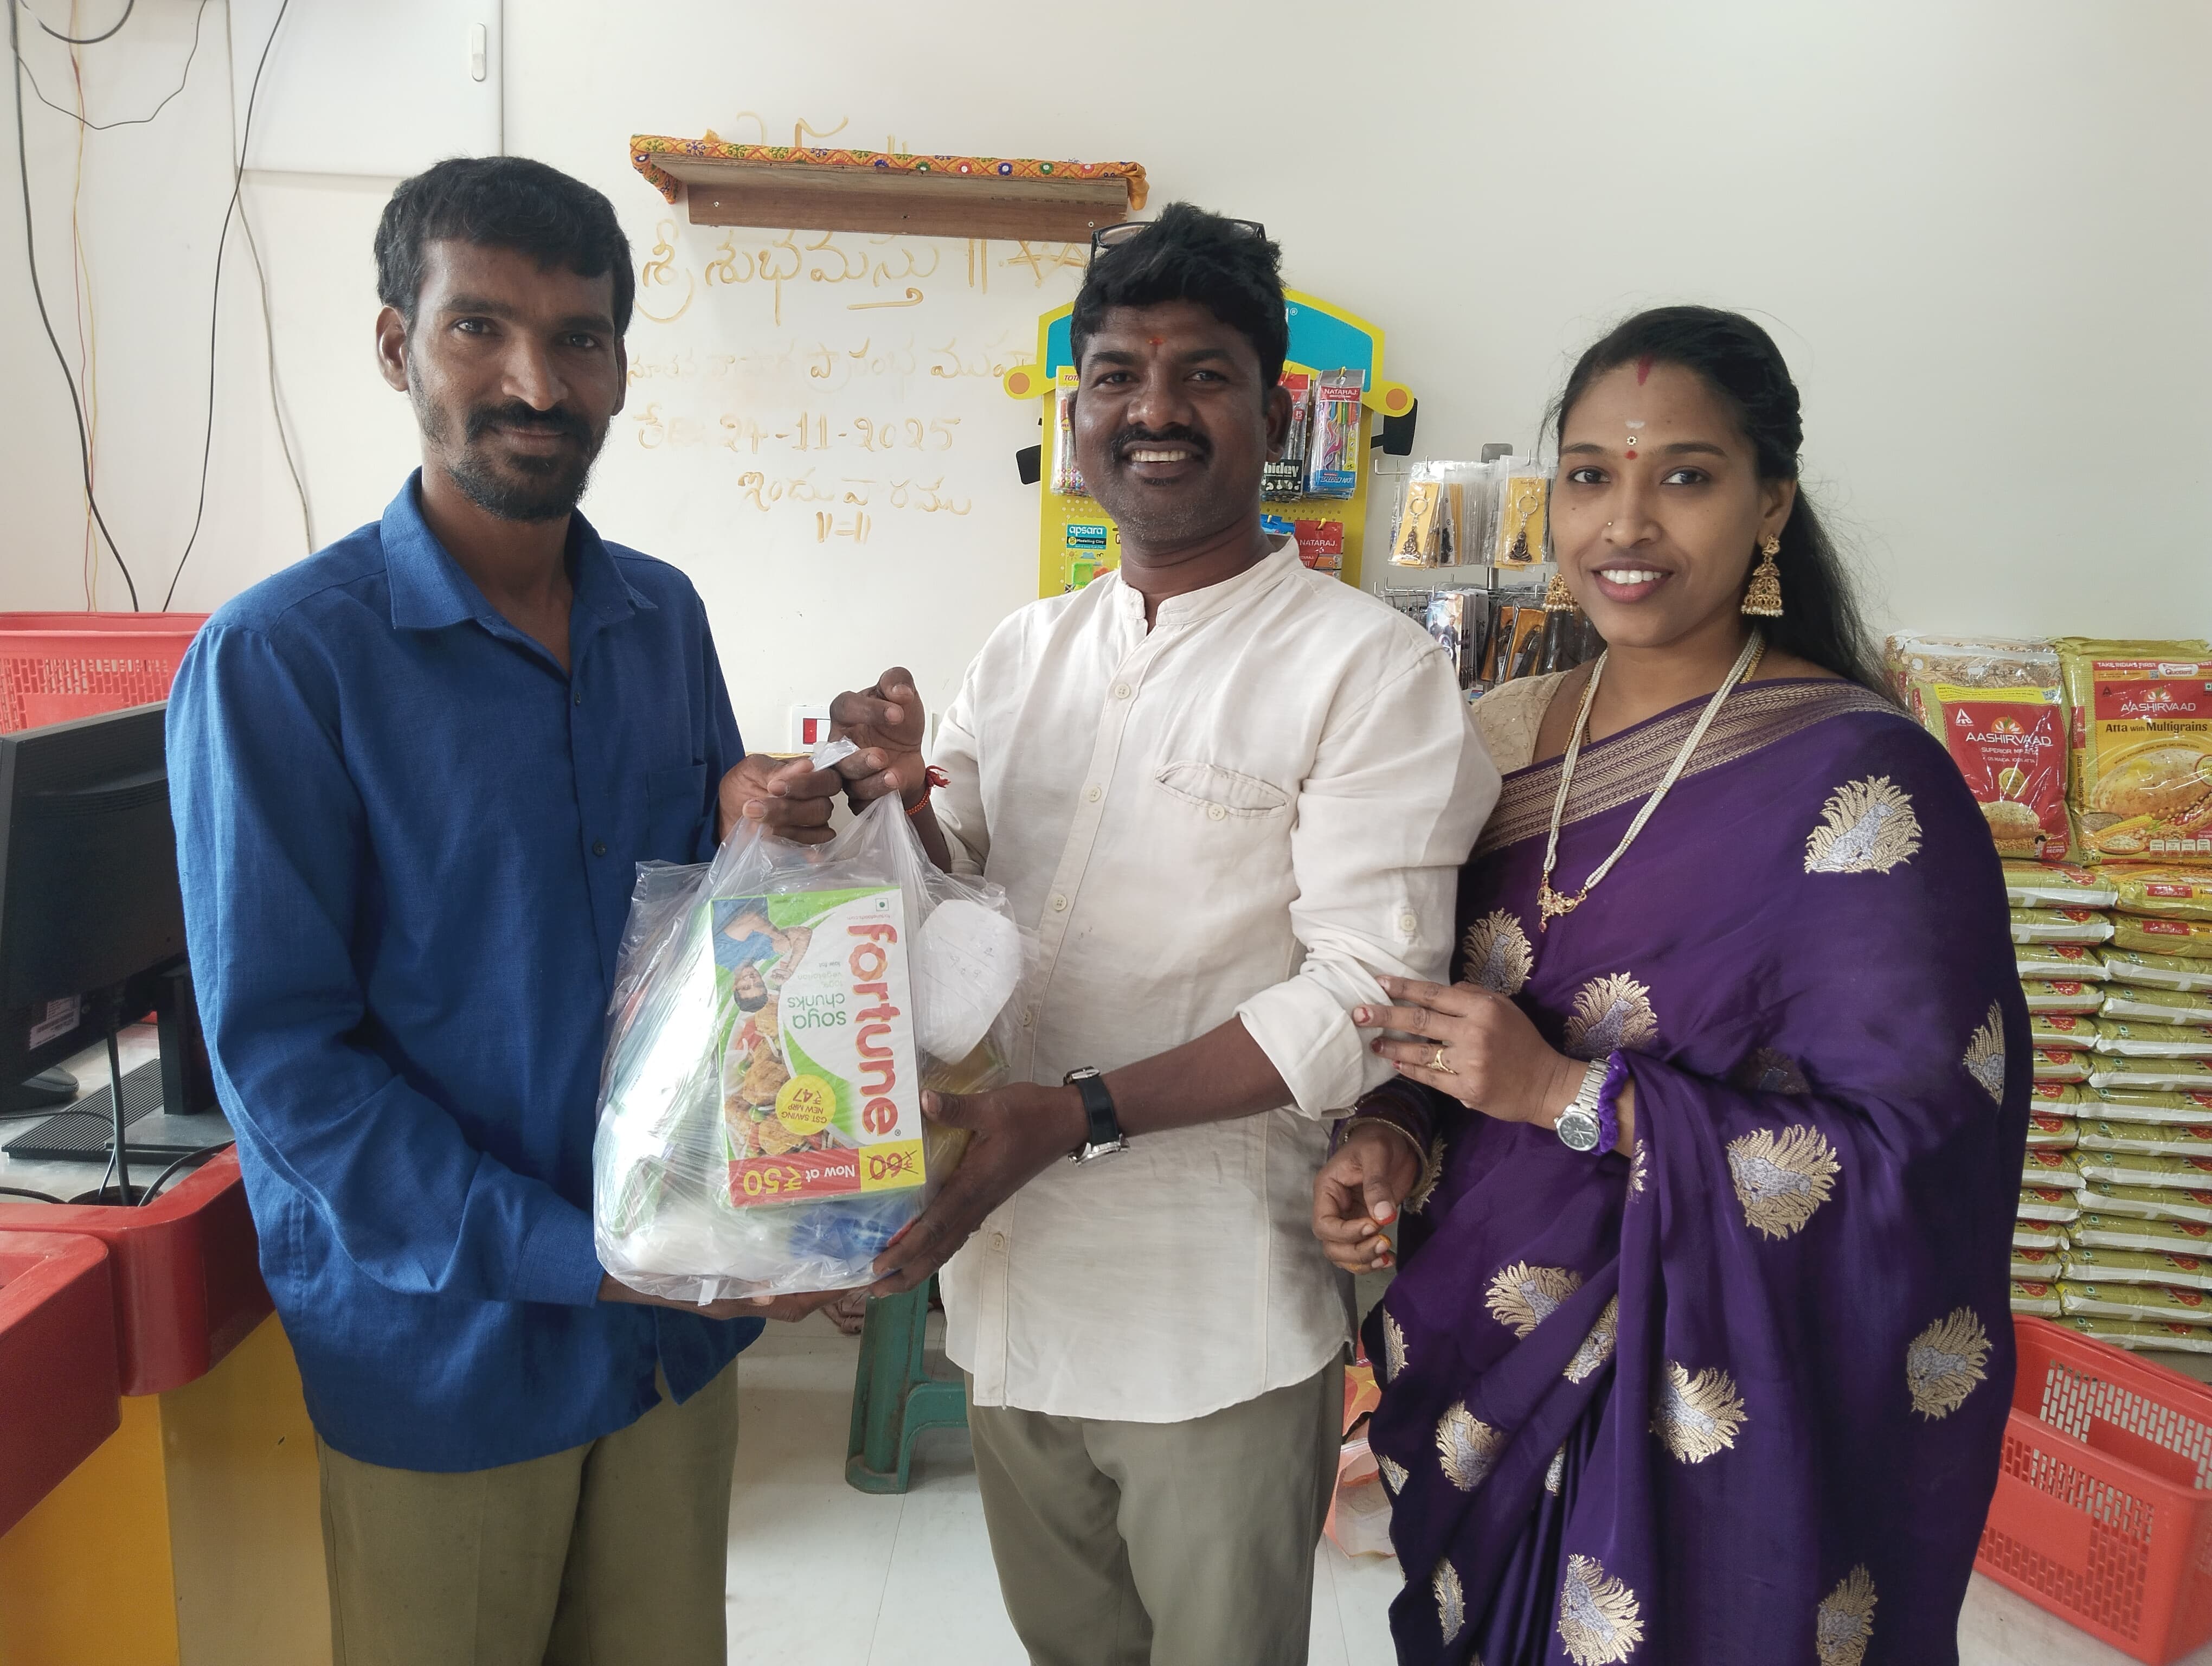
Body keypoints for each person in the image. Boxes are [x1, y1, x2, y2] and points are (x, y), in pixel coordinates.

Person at [167, 157, 841, 1666]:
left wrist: (767, 823)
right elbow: (286, 1066)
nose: (537, 383)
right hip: (447, 1350)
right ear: (397, 345)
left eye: (579, 337)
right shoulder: (282, 660)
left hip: (670, 1334)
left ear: (619, 367)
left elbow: (720, 937)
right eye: (480, 327)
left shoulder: (660, 616)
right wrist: (583, 1255)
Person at [820, 204, 1499, 1666]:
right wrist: (897, 803)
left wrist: (1071, 1117)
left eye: (1204, 376)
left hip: (1212, 1315)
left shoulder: (1366, 669)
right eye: (1118, 376)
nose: (1154, 412)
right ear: (1076, 414)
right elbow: (960, 917)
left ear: (1277, 415)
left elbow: (1365, 997)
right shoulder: (1025, 650)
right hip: (1008, 1284)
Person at [1310, 306, 2024, 1664]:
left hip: (1710, 1380)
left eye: (1685, 477)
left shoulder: (1866, 783)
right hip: (1487, 1354)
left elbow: (1917, 1157)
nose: (1625, 525)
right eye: (1590, 476)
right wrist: (1394, 1126)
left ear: (1772, 506)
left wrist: (1570, 1096)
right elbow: (1448, 1004)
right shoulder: (1496, 737)